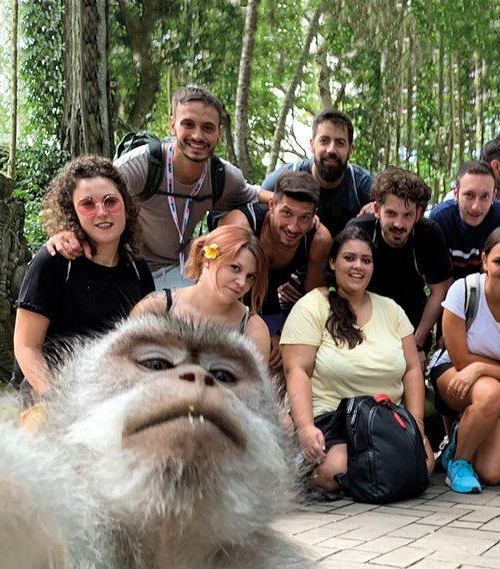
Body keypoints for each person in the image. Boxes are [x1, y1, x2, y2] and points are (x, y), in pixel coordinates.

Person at [47, 87, 260, 290]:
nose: (197, 136)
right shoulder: (141, 165)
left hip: (182, 270)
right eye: (188, 124)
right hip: (130, 268)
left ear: (219, 134)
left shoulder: (221, 176)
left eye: (207, 128)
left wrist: (286, 200)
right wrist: (65, 232)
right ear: (173, 126)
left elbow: (257, 195)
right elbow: (88, 194)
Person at [281, 226, 433, 493]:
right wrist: (305, 428)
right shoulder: (311, 306)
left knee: (424, 464)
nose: (358, 266)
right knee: (336, 471)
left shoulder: (391, 309)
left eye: (366, 260)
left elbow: (411, 369)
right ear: (332, 262)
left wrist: (416, 425)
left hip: (385, 418)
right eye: (349, 258)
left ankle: (374, 475)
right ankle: (316, 469)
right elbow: (297, 370)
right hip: (332, 417)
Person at [14, 155, 154, 397]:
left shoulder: (137, 270)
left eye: (110, 201)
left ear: (126, 205)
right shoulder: (54, 261)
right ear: (73, 212)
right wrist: (55, 399)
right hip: (48, 394)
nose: (101, 212)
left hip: (106, 397)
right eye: (88, 204)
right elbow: (26, 347)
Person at [429, 226, 500, 493]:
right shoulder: (465, 290)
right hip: (454, 376)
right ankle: (459, 463)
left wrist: (480, 366)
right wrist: (484, 369)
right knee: (490, 392)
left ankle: (460, 440)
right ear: (484, 261)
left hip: (499, 386)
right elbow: (459, 359)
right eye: (499, 262)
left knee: (492, 473)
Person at [220, 170, 332, 369]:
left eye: (304, 218)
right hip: (226, 296)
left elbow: (311, 300)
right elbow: (217, 284)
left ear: (315, 216)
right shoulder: (242, 224)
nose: (293, 227)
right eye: (286, 213)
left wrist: (283, 334)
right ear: (272, 205)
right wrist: (257, 330)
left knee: (283, 357)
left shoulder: (318, 239)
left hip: (267, 301)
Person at [347, 167, 452, 358]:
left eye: (407, 215)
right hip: (362, 322)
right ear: (377, 210)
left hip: (410, 325)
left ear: (418, 215)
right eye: (392, 214)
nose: (398, 224)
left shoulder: (429, 235)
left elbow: (440, 292)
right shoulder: (359, 231)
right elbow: (340, 285)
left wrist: (417, 343)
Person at [129, 224, 270, 362]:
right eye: (235, 268)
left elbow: (255, 385)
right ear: (206, 258)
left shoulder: (254, 330)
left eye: (250, 276)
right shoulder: (155, 308)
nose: (242, 282)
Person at [261, 110, 373, 236]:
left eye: (340, 143)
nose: (331, 150)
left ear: (350, 150)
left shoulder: (361, 184)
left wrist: (378, 206)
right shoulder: (289, 175)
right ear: (312, 144)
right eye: (324, 141)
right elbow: (252, 194)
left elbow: (396, 205)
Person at [430, 161, 500, 280]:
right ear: (456, 193)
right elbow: (439, 283)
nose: (476, 206)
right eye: (469, 195)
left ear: (493, 196)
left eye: (485, 196)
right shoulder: (441, 219)